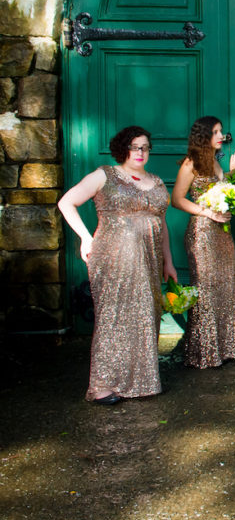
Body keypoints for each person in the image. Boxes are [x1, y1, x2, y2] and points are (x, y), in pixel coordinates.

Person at [58, 126, 177, 404]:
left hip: (148, 259)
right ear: (123, 148)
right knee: (114, 318)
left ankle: (141, 382)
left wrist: (168, 260)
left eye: (145, 147)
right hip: (113, 257)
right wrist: (86, 238)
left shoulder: (157, 181)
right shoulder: (105, 175)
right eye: (135, 146)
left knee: (145, 315)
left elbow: (162, 223)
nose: (140, 152)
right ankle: (102, 386)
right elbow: (67, 203)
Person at [171, 116, 235, 368]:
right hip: (202, 233)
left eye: (221, 131)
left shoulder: (215, 161)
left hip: (222, 233)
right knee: (206, 291)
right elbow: (178, 199)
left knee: (224, 286)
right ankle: (205, 352)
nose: (221, 135)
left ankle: (225, 348)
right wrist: (208, 213)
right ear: (203, 136)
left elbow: (221, 191)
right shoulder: (191, 163)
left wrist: (233, 173)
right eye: (215, 132)